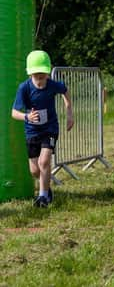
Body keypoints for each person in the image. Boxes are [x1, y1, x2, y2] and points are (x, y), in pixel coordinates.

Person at [11, 50, 74, 208]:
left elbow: (65, 91)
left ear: (48, 71)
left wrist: (69, 112)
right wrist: (27, 117)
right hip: (32, 132)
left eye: (42, 75)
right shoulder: (24, 88)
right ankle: (46, 188)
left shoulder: (53, 85)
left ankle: (43, 197)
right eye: (36, 76)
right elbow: (14, 113)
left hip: (50, 129)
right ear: (30, 73)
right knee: (34, 170)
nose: (40, 79)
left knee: (44, 161)